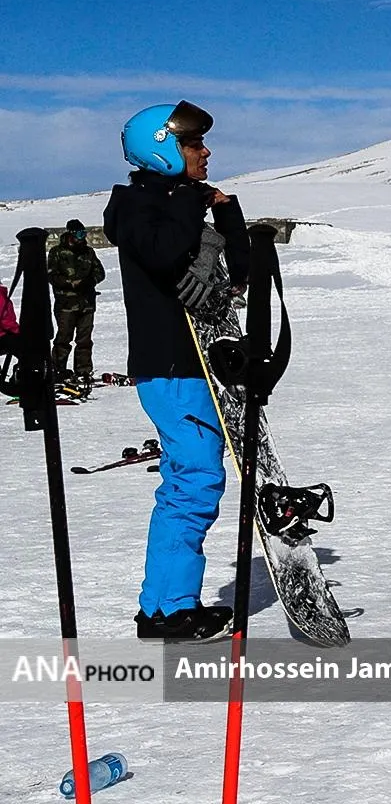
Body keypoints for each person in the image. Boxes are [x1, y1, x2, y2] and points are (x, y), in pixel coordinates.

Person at [103, 100, 245, 641]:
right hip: (170, 368)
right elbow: (163, 254)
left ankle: (164, 605)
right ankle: (170, 610)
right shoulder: (136, 207)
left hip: (198, 365)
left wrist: (226, 214)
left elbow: (239, 275)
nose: (205, 152)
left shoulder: (175, 204)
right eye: (194, 144)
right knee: (194, 482)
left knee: (190, 480)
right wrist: (190, 200)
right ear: (163, 149)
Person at [48, 219, 105, 386]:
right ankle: (57, 370)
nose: (82, 238)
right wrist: (71, 283)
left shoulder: (88, 252)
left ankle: (83, 371)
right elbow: (52, 276)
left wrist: (90, 281)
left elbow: (100, 272)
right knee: (63, 339)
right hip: (66, 305)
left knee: (84, 340)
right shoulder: (57, 252)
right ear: (70, 234)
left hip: (87, 304)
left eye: (84, 234)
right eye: (79, 234)